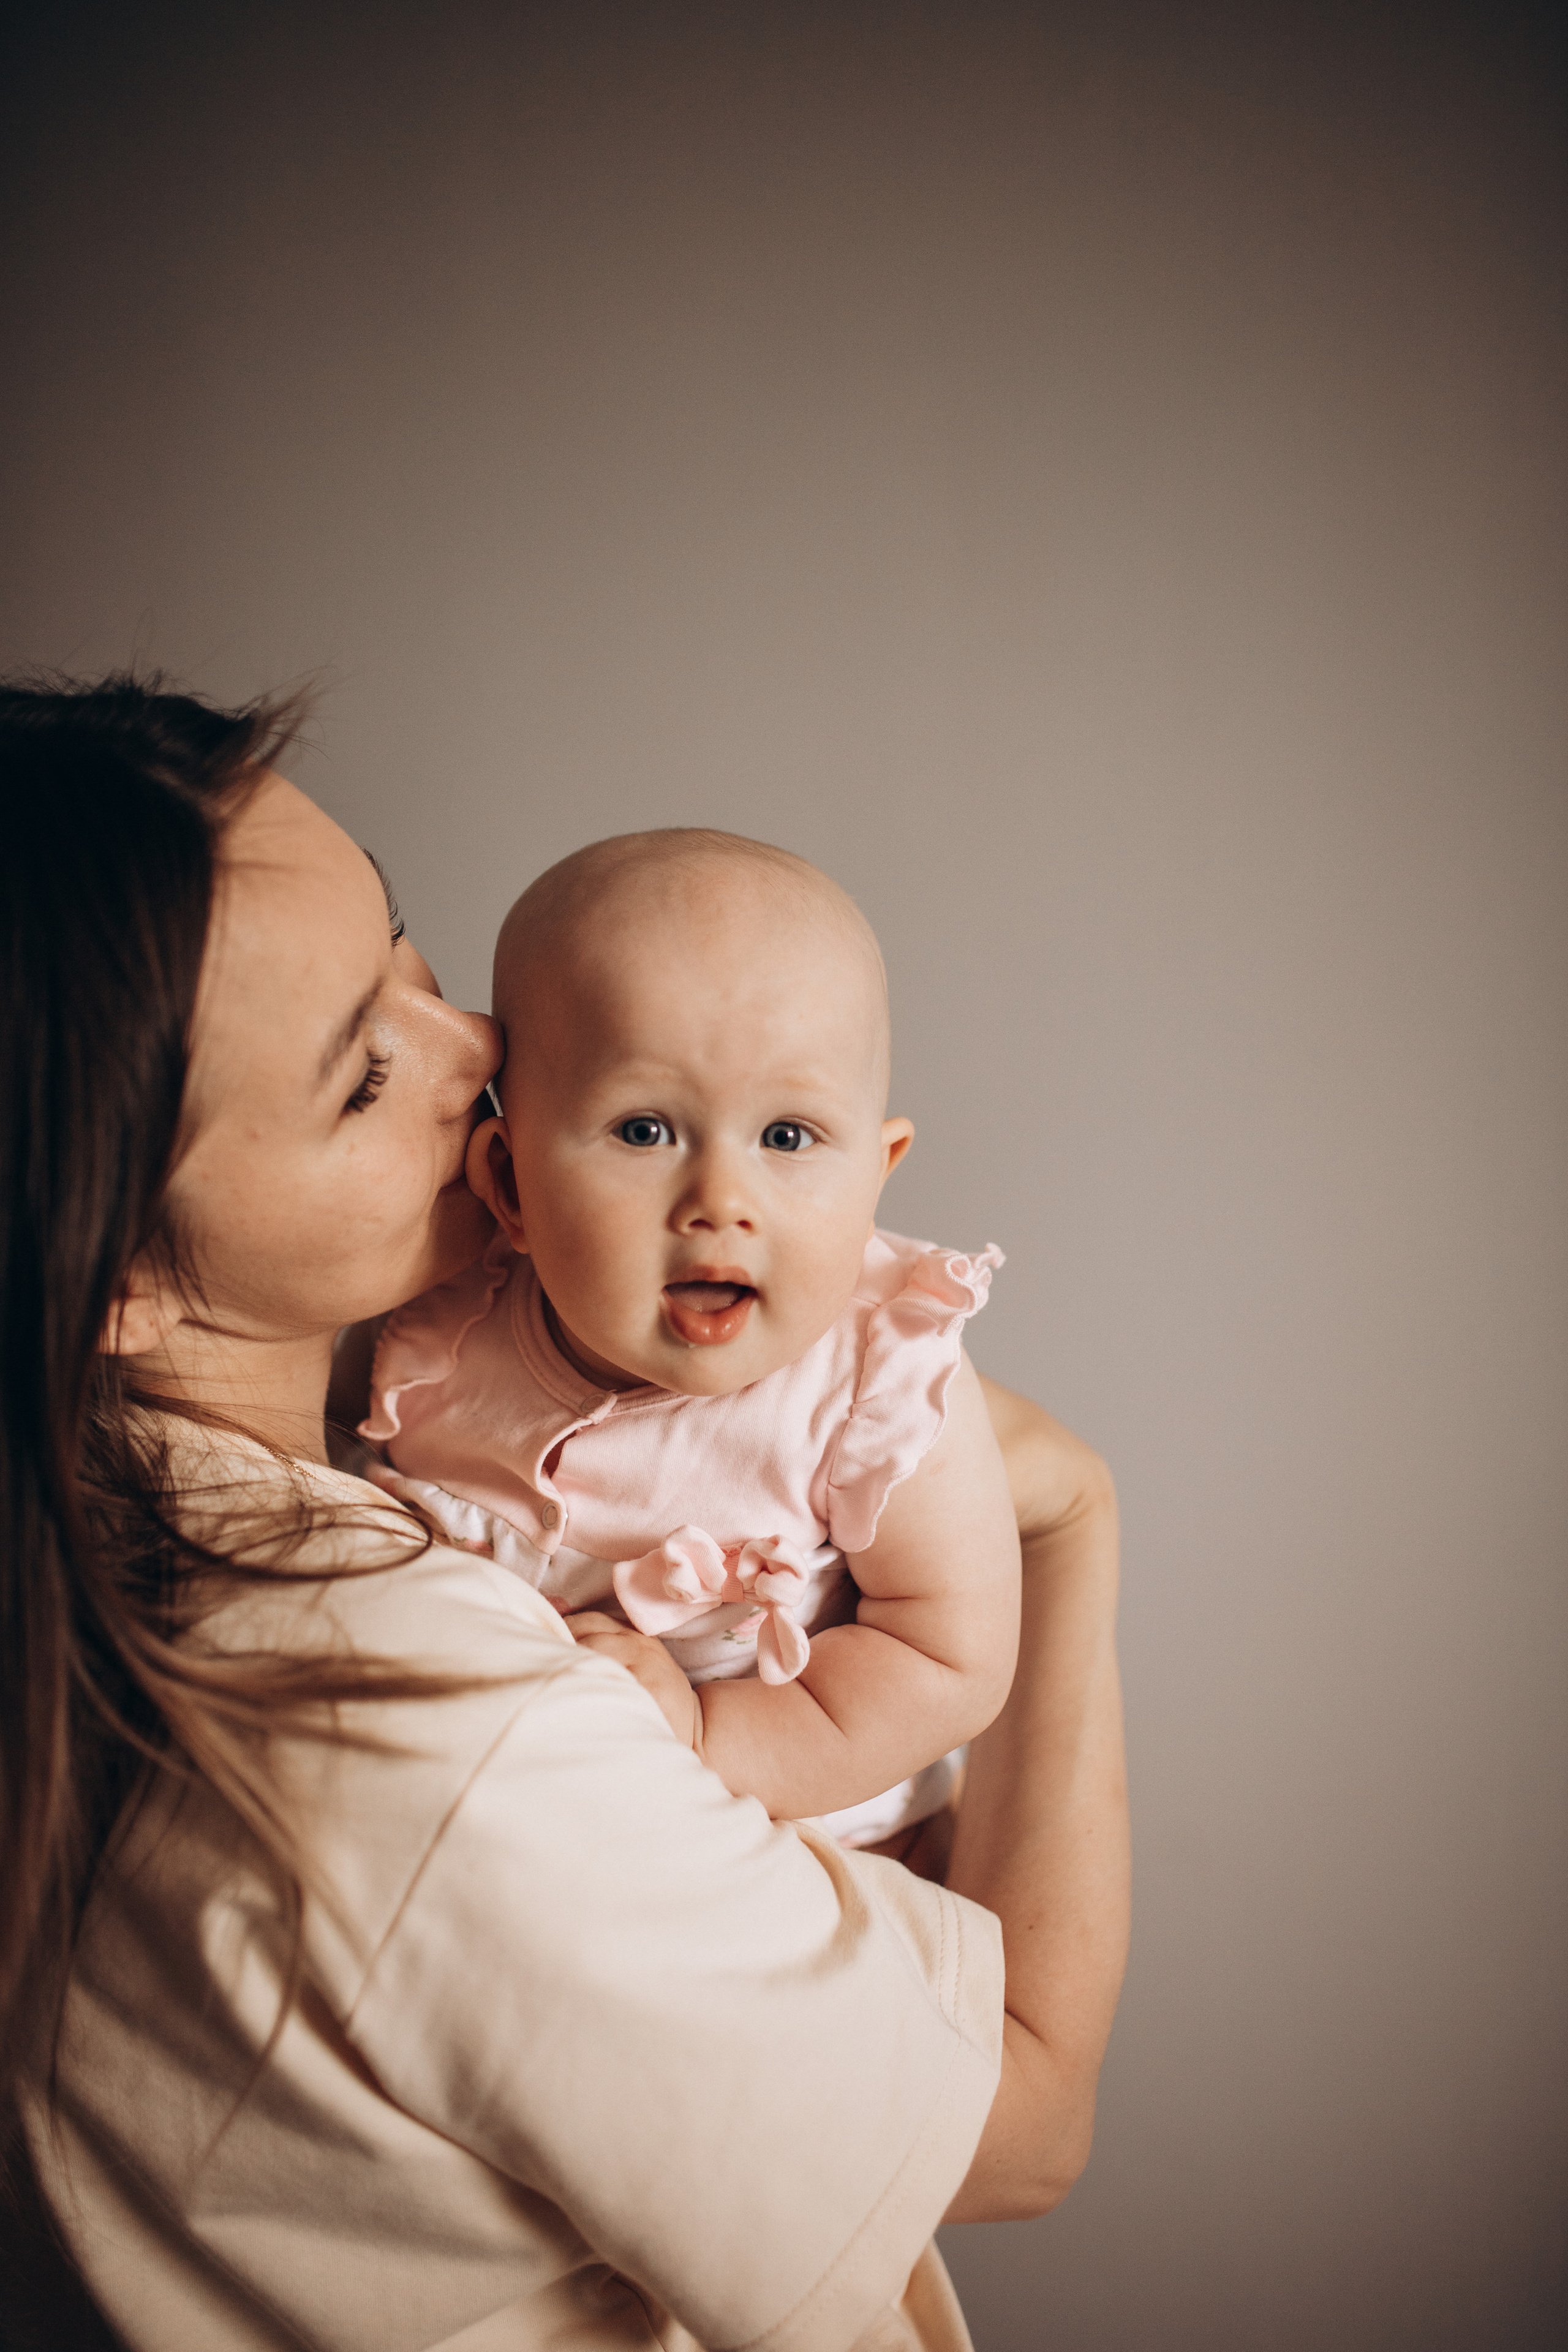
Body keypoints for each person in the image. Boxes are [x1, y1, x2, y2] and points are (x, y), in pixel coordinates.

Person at [0, 674, 1129, 2352]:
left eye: (414, 959)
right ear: (127, 1280)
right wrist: (1071, 1525)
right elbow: (1027, 2121)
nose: (479, 1058)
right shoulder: (422, 1725)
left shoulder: (179, 1533)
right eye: (363, 1076)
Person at [363, 830, 1018, 1848]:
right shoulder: (440, 1328)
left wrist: (705, 1732)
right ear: (509, 1185)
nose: (722, 1201)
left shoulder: (878, 1384)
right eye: (644, 1130)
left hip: (809, 1846)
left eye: (788, 1138)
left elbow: (945, 1662)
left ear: (876, 1178)